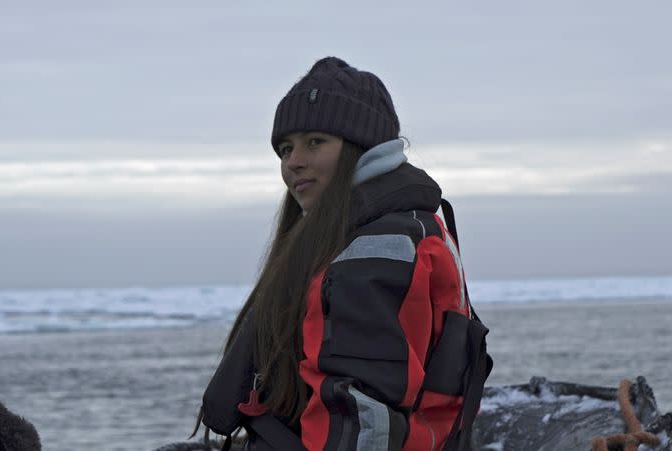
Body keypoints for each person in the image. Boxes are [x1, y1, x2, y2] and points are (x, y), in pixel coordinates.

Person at [196, 56, 492, 451]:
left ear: (361, 146)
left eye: (315, 142)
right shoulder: (410, 225)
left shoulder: (374, 250)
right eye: (285, 148)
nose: (293, 162)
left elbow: (361, 414)